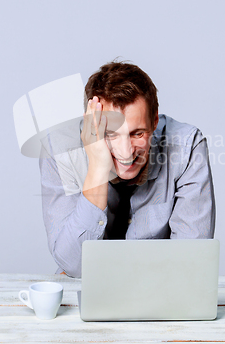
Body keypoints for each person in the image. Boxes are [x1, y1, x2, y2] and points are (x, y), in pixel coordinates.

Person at [39, 61, 215, 277]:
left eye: (137, 133)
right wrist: (97, 168)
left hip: (160, 293)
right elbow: (74, 266)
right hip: (87, 294)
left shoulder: (187, 147)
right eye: (110, 134)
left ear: (154, 121)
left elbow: (191, 263)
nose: (126, 152)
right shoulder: (59, 150)